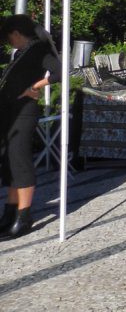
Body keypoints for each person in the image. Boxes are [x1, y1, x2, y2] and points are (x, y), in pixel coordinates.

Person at [0, 15, 61, 240]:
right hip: (10, 112)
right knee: (9, 161)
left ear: (16, 34)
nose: (9, 43)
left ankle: (24, 216)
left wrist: (35, 85)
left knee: (20, 160)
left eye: (9, 38)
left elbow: (61, 71)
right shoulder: (21, 52)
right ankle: (10, 211)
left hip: (24, 113)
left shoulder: (39, 50)